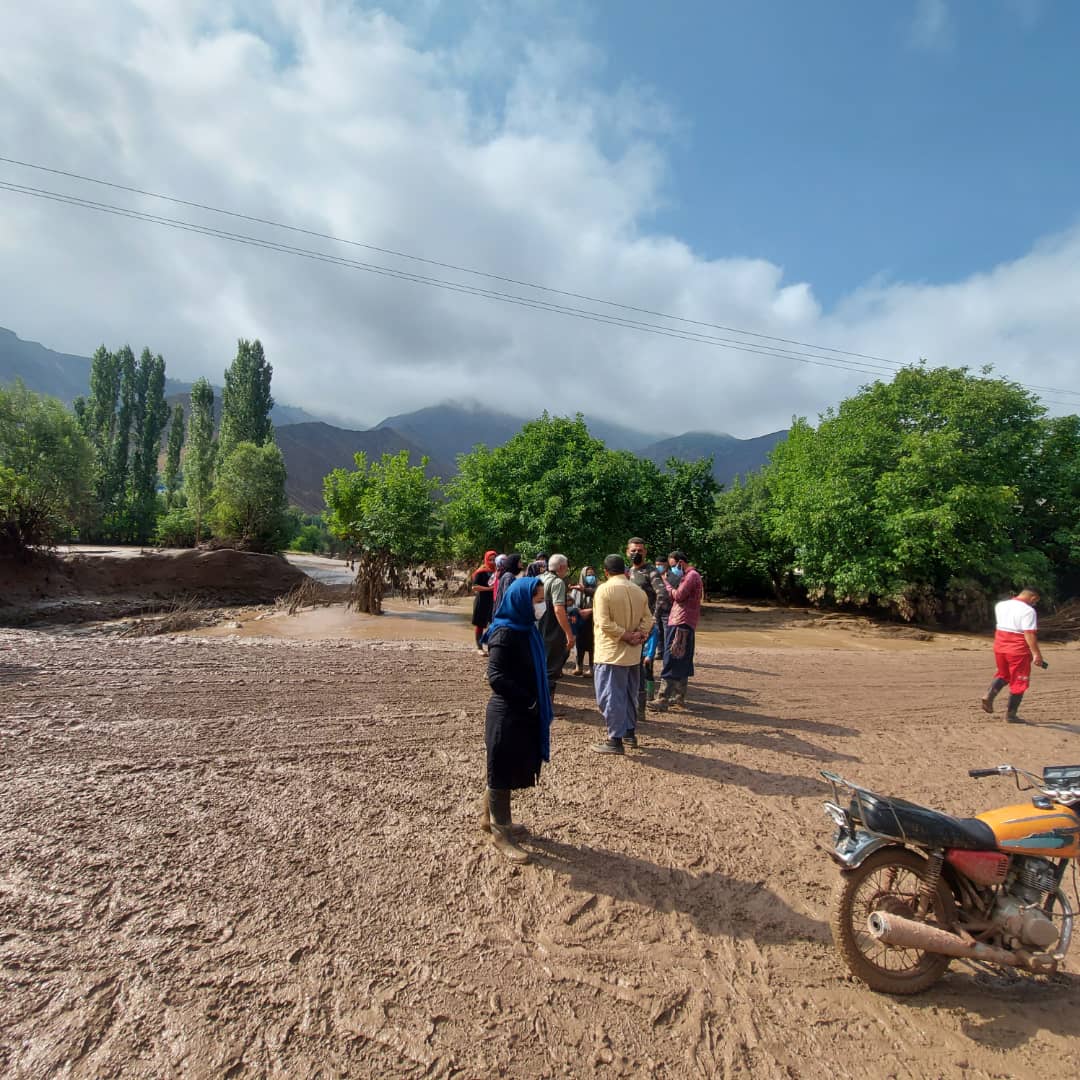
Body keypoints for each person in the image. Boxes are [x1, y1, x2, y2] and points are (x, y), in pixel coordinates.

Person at [480, 577, 555, 864]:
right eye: (536, 600)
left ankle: (488, 818)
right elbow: (496, 677)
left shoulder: (527, 630)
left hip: (522, 711)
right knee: (500, 770)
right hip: (507, 713)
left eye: (540, 599)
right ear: (521, 600)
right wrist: (530, 700)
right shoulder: (504, 633)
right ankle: (501, 834)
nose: (540, 605)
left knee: (505, 766)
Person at [591, 554, 652, 754]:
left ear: (605, 571)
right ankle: (629, 733)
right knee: (629, 694)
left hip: (611, 653)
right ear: (625, 571)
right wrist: (640, 635)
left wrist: (626, 635)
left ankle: (614, 740)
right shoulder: (638, 590)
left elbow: (603, 622)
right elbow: (648, 619)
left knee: (610, 695)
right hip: (633, 654)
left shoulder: (604, 590)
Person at [981, 588, 1045, 723]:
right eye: (1036, 601)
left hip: (1000, 645)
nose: (1035, 604)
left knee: (1003, 674)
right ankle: (1011, 716)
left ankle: (989, 695)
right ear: (1033, 597)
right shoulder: (1028, 611)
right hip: (1017, 650)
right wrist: (1036, 654)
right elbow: (1029, 634)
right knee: (1019, 681)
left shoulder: (1001, 605)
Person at [652, 551, 703, 710]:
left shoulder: (691, 576)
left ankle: (663, 699)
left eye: (673, 565)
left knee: (672, 657)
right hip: (685, 621)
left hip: (681, 621)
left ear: (680, 563)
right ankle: (679, 697)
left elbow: (679, 596)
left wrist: (667, 583)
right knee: (682, 659)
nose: (671, 569)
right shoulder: (690, 576)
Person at [625, 537, 657, 725]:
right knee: (633, 666)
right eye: (633, 550)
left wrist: (652, 620)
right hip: (630, 627)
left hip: (644, 628)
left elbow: (662, 595)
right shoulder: (629, 572)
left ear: (645, 552)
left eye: (640, 550)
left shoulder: (650, 571)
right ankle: (633, 708)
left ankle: (641, 710)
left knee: (643, 666)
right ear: (627, 552)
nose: (636, 553)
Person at [538, 554, 575, 698]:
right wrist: (569, 634)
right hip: (551, 628)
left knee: (538, 664)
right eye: (566, 567)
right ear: (561, 567)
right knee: (551, 668)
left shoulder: (538, 578)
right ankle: (547, 706)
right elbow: (559, 609)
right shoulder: (557, 582)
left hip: (537, 627)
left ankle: (537, 702)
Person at [647, 554, 673, 698]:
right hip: (653, 613)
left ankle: (663, 653)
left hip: (666, 611)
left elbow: (666, 595)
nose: (658, 566)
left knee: (664, 634)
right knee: (658, 634)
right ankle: (660, 651)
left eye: (661, 564)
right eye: (656, 564)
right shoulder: (652, 576)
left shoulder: (671, 577)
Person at [570, 565, 598, 675]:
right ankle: (579, 666)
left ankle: (591, 668)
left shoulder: (599, 589)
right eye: (588, 575)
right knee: (579, 644)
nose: (590, 577)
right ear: (583, 576)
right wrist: (579, 611)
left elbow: (603, 605)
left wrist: (590, 611)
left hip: (593, 621)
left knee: (593, 645)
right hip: (580, 620)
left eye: (592, 575)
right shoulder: (577, 590)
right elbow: (571, 603)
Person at [470, 550, 498, 654]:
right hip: (482, 600)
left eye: (494, 559)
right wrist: (489, 589)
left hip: (494, 601)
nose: (492, 561)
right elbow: (474, 587)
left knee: (493, 624)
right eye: (490, 559)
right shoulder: (481, 571)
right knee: (480, 624)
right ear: (486, 559)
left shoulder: (498, 571)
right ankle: (479, 647)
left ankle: (491, 647)